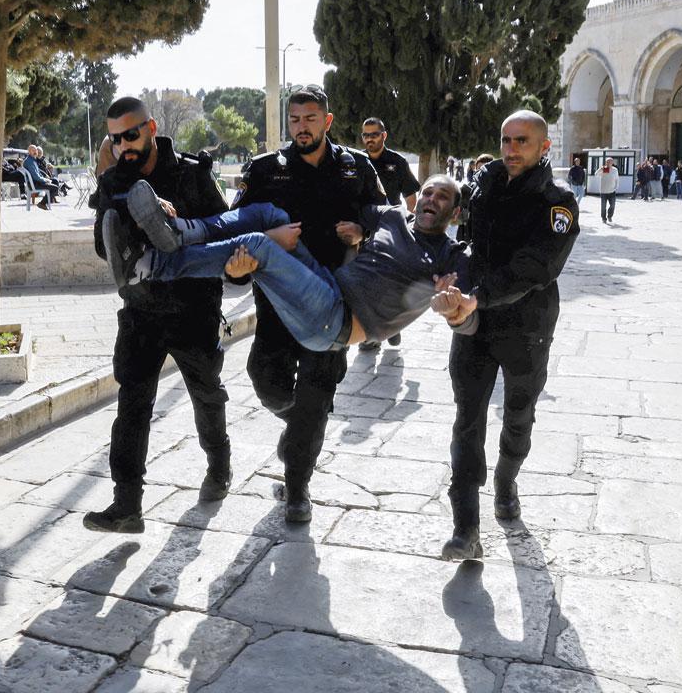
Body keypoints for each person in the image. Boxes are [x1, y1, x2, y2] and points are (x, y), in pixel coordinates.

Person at [231, 84, 384, 523]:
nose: (302, 127)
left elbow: (384, 217)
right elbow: (239, 226)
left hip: (334, 303)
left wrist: (362, 231)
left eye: (310, 119)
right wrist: (237, 268)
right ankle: (301, 429)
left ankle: (297, 489)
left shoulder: (356, 168)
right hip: (277, 303)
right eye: (295, 120)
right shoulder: (263, 170)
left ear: (327, 121)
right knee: (266, 380)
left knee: (316, 394)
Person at [83, 96, 233, 534]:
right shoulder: (114, 181)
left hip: (193, 309)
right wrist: (108, 191)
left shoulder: (192, 173)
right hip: (141, 311)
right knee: (132, 406)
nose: (125, 144)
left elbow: (223, 231)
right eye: (115, 138)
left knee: (207, 396)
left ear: (150, 129)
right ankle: (126, 505)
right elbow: (102, 248)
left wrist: (174, 224)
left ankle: (219, 466)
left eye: (131, 134)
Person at [438, 110, 580, 561]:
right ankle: (466, 528)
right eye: (505, 139)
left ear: (544, 147)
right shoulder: (482, 184)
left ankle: (506, 479)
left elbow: (538, 267)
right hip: (475, 324)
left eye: (521, 141)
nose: (511, 148)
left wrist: (479, 295)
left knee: (518, 416)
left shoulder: (558, 202)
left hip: (527, 327)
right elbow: (465, 244)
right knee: (467, 417)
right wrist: (452, 281)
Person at [110, 177, 474, 352]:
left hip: (337, 323)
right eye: (427, 192)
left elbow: (467, 302)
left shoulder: (450, 254)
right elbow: (351, 209)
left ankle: (149, 264)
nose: (431, 200)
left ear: (454, 212)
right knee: (272, 214)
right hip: (327, 287)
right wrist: (361, 229)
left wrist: (453, 306)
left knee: (258, 245)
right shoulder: (394, 217)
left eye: (442, 198)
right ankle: (181, 232)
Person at [358, 117, 421, 352]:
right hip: (363, 231)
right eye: (366, 135)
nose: (370, 139)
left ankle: (392, 327)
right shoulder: (358, 162)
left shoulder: (397, 162)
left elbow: (411, 198)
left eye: (374, 134)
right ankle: (372, 334)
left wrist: (406, 225)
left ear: (384, 135)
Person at [23, 145, 61, 210]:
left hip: (37, 182)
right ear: (29, 152)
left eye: (36, 150)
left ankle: (44, 202)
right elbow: (36, 176)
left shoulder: (32, 160)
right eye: (33, 150)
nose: (35, 152)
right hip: (35, 184)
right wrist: (45, 180)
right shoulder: (30, 161)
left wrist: (46, 179)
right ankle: (42, 203)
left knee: (54, 184)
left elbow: (38, 173)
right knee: (55, 188)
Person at [599, 157, 619, 223]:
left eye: (610, 162)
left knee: (612, 205)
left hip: (612, 191)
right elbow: (596, 175)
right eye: (607, 162)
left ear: (612, 163)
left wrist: (616, 187)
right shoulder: (603, 169)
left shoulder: (615, 170)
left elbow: (617, 179)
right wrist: (600, 169)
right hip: (603, 191)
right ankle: (603, 218)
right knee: (603, 206)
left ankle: (610, 216)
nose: (608, 163)